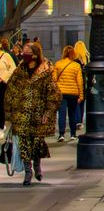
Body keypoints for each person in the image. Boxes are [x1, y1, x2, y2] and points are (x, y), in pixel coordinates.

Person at [4, 41, 61, 185]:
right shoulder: (19, 70)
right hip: (21, 113)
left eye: (27, 51)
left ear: (35, 55)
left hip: (38, 114)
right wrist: (9, 112)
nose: (23, 54)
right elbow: (11, 90)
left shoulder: (46, 72)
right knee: (23, 143)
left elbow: (53, 94)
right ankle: (28, 171)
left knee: (36, 143)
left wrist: (47, 113)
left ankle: (37, 165)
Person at [53, 45, 84, 141]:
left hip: (61, 92)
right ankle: (73, 134)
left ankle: (61, 134)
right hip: (73, 93)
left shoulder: (58, 64)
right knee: (72, 113)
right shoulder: (76, 66)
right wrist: (81, 95)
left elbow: (53, 79)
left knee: (62, 113)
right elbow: (80, 81)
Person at [0, 37, 17, 129]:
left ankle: (1, 126)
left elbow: (13, 69)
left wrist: (3, 78)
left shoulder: (6, 56)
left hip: (2, 84)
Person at [73, 40, 89, 133]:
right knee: (82, 102)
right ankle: (80, 120)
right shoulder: (87, 57)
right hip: (84, 83)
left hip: (75, 83)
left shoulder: (74, 59)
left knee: (76, 103)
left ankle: (77, 119)